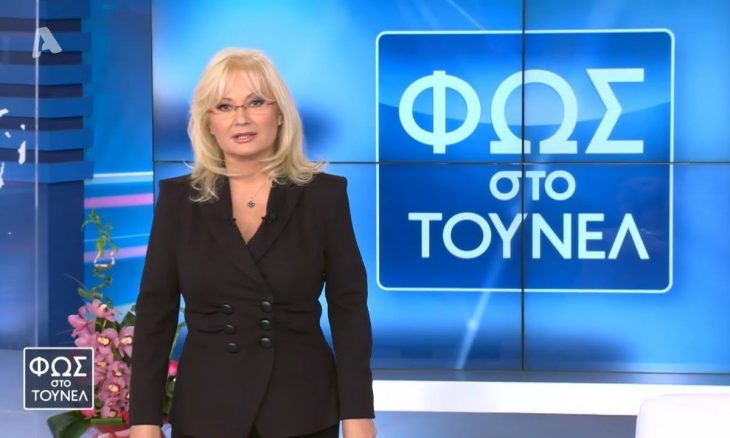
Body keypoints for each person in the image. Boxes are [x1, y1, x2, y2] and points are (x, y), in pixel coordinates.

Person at [128, 48, 376, 438]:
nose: (240, 118)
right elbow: (155, 312)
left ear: (280, 114)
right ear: (208, 122)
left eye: (256, 102)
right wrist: (143, 420)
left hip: (302, 409)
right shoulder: (179, 201)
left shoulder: (323, 196)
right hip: (208, 412)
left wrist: (358, 412)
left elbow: (349, 308)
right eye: (224, 106)